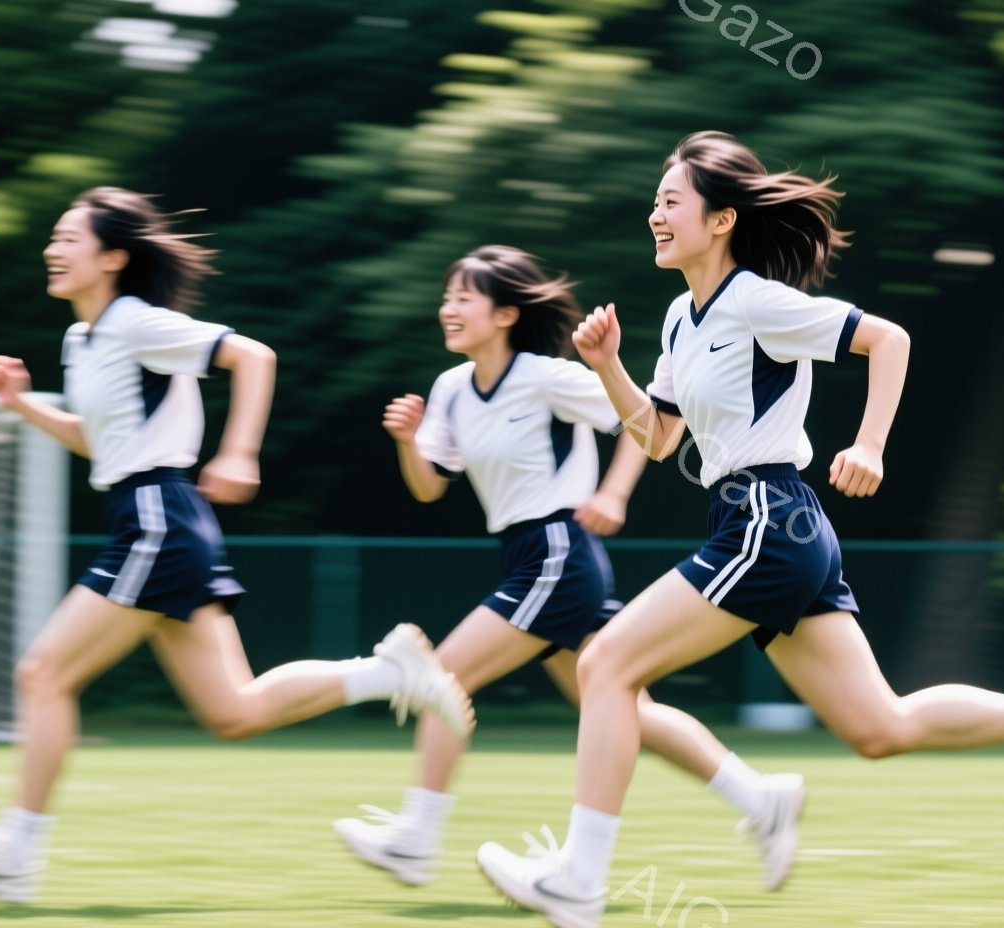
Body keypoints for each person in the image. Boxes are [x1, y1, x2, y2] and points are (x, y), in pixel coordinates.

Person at [476, 131, 1004, 928]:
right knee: (877, 727)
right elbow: (657, 438)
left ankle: (578, 881)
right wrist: (609, 365)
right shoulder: (681, 319)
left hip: (767, 519)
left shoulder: (756, 300)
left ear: (720, 220)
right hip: (768, 525)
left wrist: (868, 444)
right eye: (655, 202)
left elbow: (886, 338)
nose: (654, 214)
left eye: (670, 202)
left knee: (607, 665)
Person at [0, 187, 472, 905]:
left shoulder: (134, 322)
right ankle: (390, 674)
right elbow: (102, 442)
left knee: (42, 675)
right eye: (53, 239)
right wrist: (27, 407)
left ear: (114, 257)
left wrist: (240, 452)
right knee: (233, 713)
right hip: (151, 517)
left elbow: (253, 356)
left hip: (157, 517)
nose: (52, 250)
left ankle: (14, 854)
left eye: (67, 238)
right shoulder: (83, 339)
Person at [332, 245, 804, 891]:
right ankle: (760, 798)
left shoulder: (545, 376)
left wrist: (612, 494)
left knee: (442, 676)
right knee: (622, 706)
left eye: (462, 298)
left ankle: (416, 839)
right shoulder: (449, 390)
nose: (448, 309)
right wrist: (407, 443)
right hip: (526, 557)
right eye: (447, 297)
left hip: (559, 553)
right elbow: (428, 488)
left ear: (503, 313)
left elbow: (647, 426)